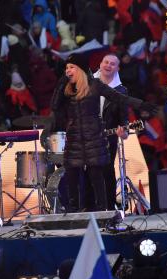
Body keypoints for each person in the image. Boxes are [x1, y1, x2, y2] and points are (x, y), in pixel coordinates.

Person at [50, 53, 156, 212]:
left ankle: (103, 211)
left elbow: (120, 98)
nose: (68, 71)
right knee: (72, 176)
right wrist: (61, 83)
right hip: (75, 138)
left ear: (79, 69)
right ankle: (74, 212)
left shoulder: (95, 85)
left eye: (71, 67)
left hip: (95, 137)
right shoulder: (67, 88)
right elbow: (54, 106)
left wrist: (141, 105)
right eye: (66, 68)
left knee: (97, 176)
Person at [92, 53, 129, 210]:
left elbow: (124, 119)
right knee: (88, 170)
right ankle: (90, 206)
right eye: (106, 62)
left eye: (112, 64)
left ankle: (109, 206)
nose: (108, 65)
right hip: (87, 135)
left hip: (108, 137)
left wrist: (124, 133)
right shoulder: (87, 84)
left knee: (106, 170)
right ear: (100, 64)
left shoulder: (121, 91)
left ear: (117, 68)